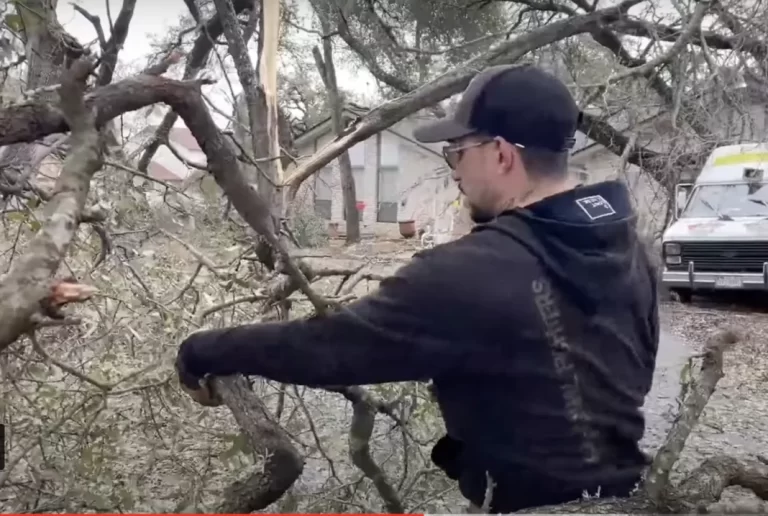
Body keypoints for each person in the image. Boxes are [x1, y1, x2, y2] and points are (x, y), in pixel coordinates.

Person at [175, 64, 660, 513]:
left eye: (458, 151)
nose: (453, 169)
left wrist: (205, 350)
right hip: (631, 499)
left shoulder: (472, 272)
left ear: (501, 154)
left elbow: (330, 347)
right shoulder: (631, 251)